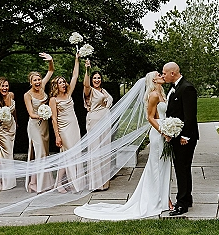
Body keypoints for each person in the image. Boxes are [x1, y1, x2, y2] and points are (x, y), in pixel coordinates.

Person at [74, 71, 173, 220]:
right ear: (153, 79)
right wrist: (163, 131)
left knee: (164, 166)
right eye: (159, 74)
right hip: (158, 134)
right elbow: (150, 118)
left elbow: (162, 115)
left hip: (165, 132)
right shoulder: (153, 95)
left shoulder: (162, 93)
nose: (161, 75)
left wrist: (170, 127)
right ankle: (156, 200)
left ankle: (165, 198)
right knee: (156, 167)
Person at [163, 62, 199, 216]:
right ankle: (187, 198)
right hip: (177, 135)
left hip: (185, 137)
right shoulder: (174, 88)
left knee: (182, 169)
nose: (163, 75)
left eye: (164, 73)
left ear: (172, 73)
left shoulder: (187, 88)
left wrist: (185, 135)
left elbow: (190, 115)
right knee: (182, 168)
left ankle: (182, 203)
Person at [49, 53, 85, 193]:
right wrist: (57, 136)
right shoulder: (53, 99)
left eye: (64, 82)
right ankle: (67, 182)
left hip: (74, 126)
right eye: (61, 83)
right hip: (63, 129)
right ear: (56, 86)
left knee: (71, 155)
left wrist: (77, 60)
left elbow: (75, 76)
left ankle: (62, 182)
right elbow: (53, 118)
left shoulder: (68, 94)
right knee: (68, 155)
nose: (64, 84)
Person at [24, 52, 55, 193]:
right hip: (34, 125)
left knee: (45, 153)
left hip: (44, 125)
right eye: (35, 80)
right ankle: (38, 185)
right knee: (39, 152)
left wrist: (50, 60)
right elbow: (30, 113)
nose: (37, 82)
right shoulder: (27, 95)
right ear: (30, 82)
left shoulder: (42, 86)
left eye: (39, 79)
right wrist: (42, 114)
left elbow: (51, 70)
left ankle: (39, 182)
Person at [83, 59, 113, 191]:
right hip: (94, 121)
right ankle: (95, 183)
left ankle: (104, 182)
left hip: (105, 122)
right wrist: (87, 70)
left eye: (98, 78)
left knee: (104, 150)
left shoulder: (104, 90)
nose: (96, 80)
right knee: (94, 150)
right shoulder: (89, 90)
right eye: (94, 78)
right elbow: (85, 83)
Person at [0, 77, 18, 190]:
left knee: (1, 152)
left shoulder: (11, 95)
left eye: (6, 85)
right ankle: (7, 181)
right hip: (1, 128)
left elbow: (14, 110)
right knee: (7, 153)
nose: (5, 88)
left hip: (11, 126)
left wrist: (16, 121)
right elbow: (0, 113)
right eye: (2, 86)